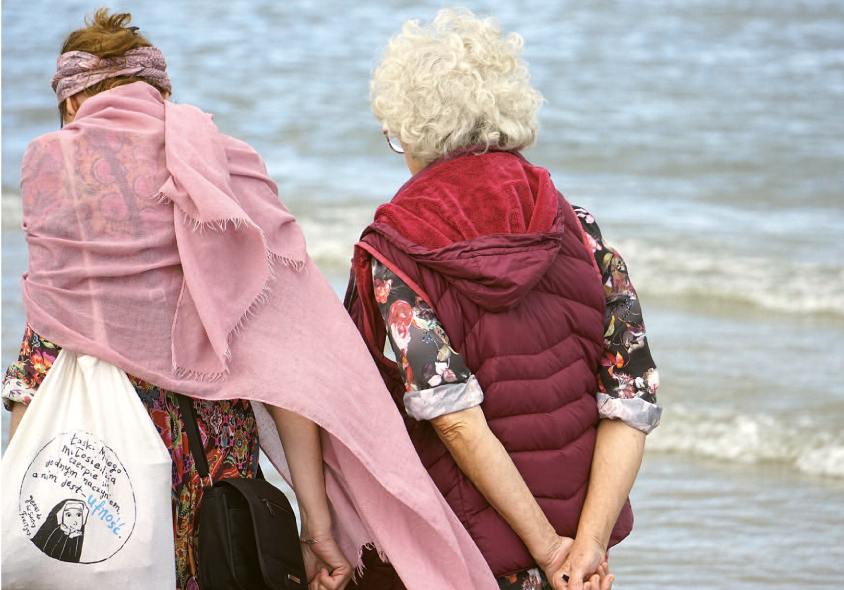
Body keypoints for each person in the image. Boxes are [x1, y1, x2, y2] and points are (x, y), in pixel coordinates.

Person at [2, 9, 500, 590]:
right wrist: (318, 526)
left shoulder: (53, 180)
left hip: (99, 482)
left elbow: (35, 369)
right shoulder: (222, 170)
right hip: (221, 499)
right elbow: (288, 370)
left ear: (71, 107)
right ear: (163, 97)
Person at [344, 9, 662, 590]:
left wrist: (548, 547)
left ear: (412, 131)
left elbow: (455, 418)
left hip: (454, 558)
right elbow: (630, 395)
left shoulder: (395, 254)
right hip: (577, 569)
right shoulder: (581, 230)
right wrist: (583, 548)